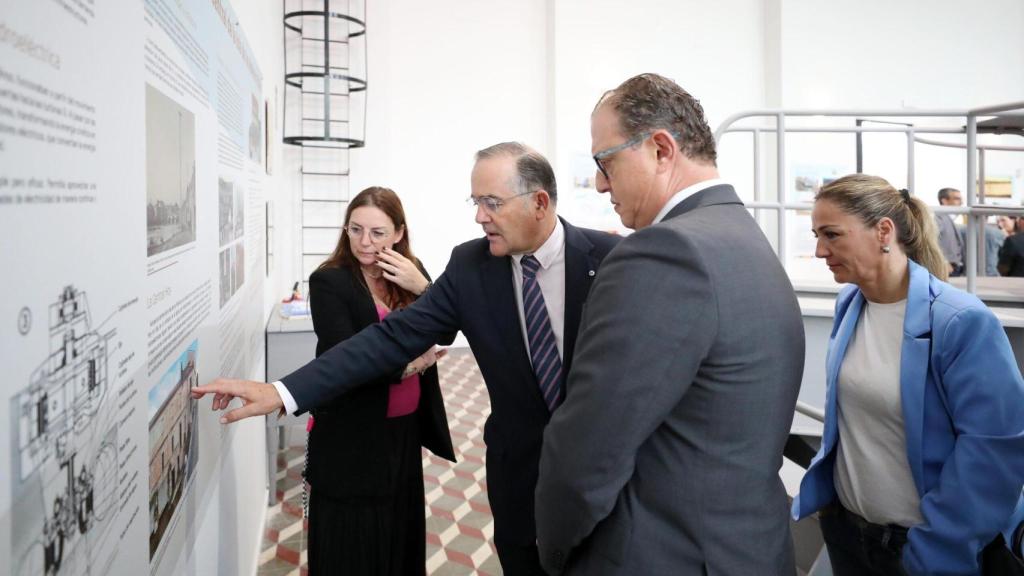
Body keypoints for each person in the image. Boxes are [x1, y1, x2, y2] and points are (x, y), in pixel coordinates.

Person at [192, 143, 620, 575]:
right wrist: (281, 391)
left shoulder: (611, 260)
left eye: (492, 203)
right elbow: (387, 340)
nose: (479, 216)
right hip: (517, 478)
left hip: (601, 478)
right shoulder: (471, 265)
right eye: (476, 203)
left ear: (539, 203)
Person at [534, 73, 805, 575]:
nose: (598, 183)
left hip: (663, 553)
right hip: (749, 548)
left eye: (605, 161)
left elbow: (587, 450)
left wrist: (553, 552)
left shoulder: (665, 253)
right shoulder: (744, 237)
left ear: (660, 149)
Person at [793, 174, 1024, 575]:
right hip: (848, 534)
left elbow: (993, 451)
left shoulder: (960, 321)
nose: (819, 251)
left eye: (831, 235)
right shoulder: (851, 303)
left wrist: (937, 548)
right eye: (816, 235)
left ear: (884, 231)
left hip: (920, 550)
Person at [302, 186, 453, 574]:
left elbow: (449, 330)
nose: (364, 242)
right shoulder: (330, 281)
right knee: (353, 538)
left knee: (397, 530)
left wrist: (422, 287)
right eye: (355, 230)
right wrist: (411, 365)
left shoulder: (410, 269)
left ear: (399, 233)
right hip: (352, 430)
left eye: (378, 233)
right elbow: (344, 356)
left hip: (402, 428)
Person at [935, 187, 965, 276]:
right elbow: (931, 240)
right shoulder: (938, 218)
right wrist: (943, 261)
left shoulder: (948, 218)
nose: (961, 203)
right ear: (944, 201)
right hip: (946, 269)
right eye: (957, 199)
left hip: (954, 269)